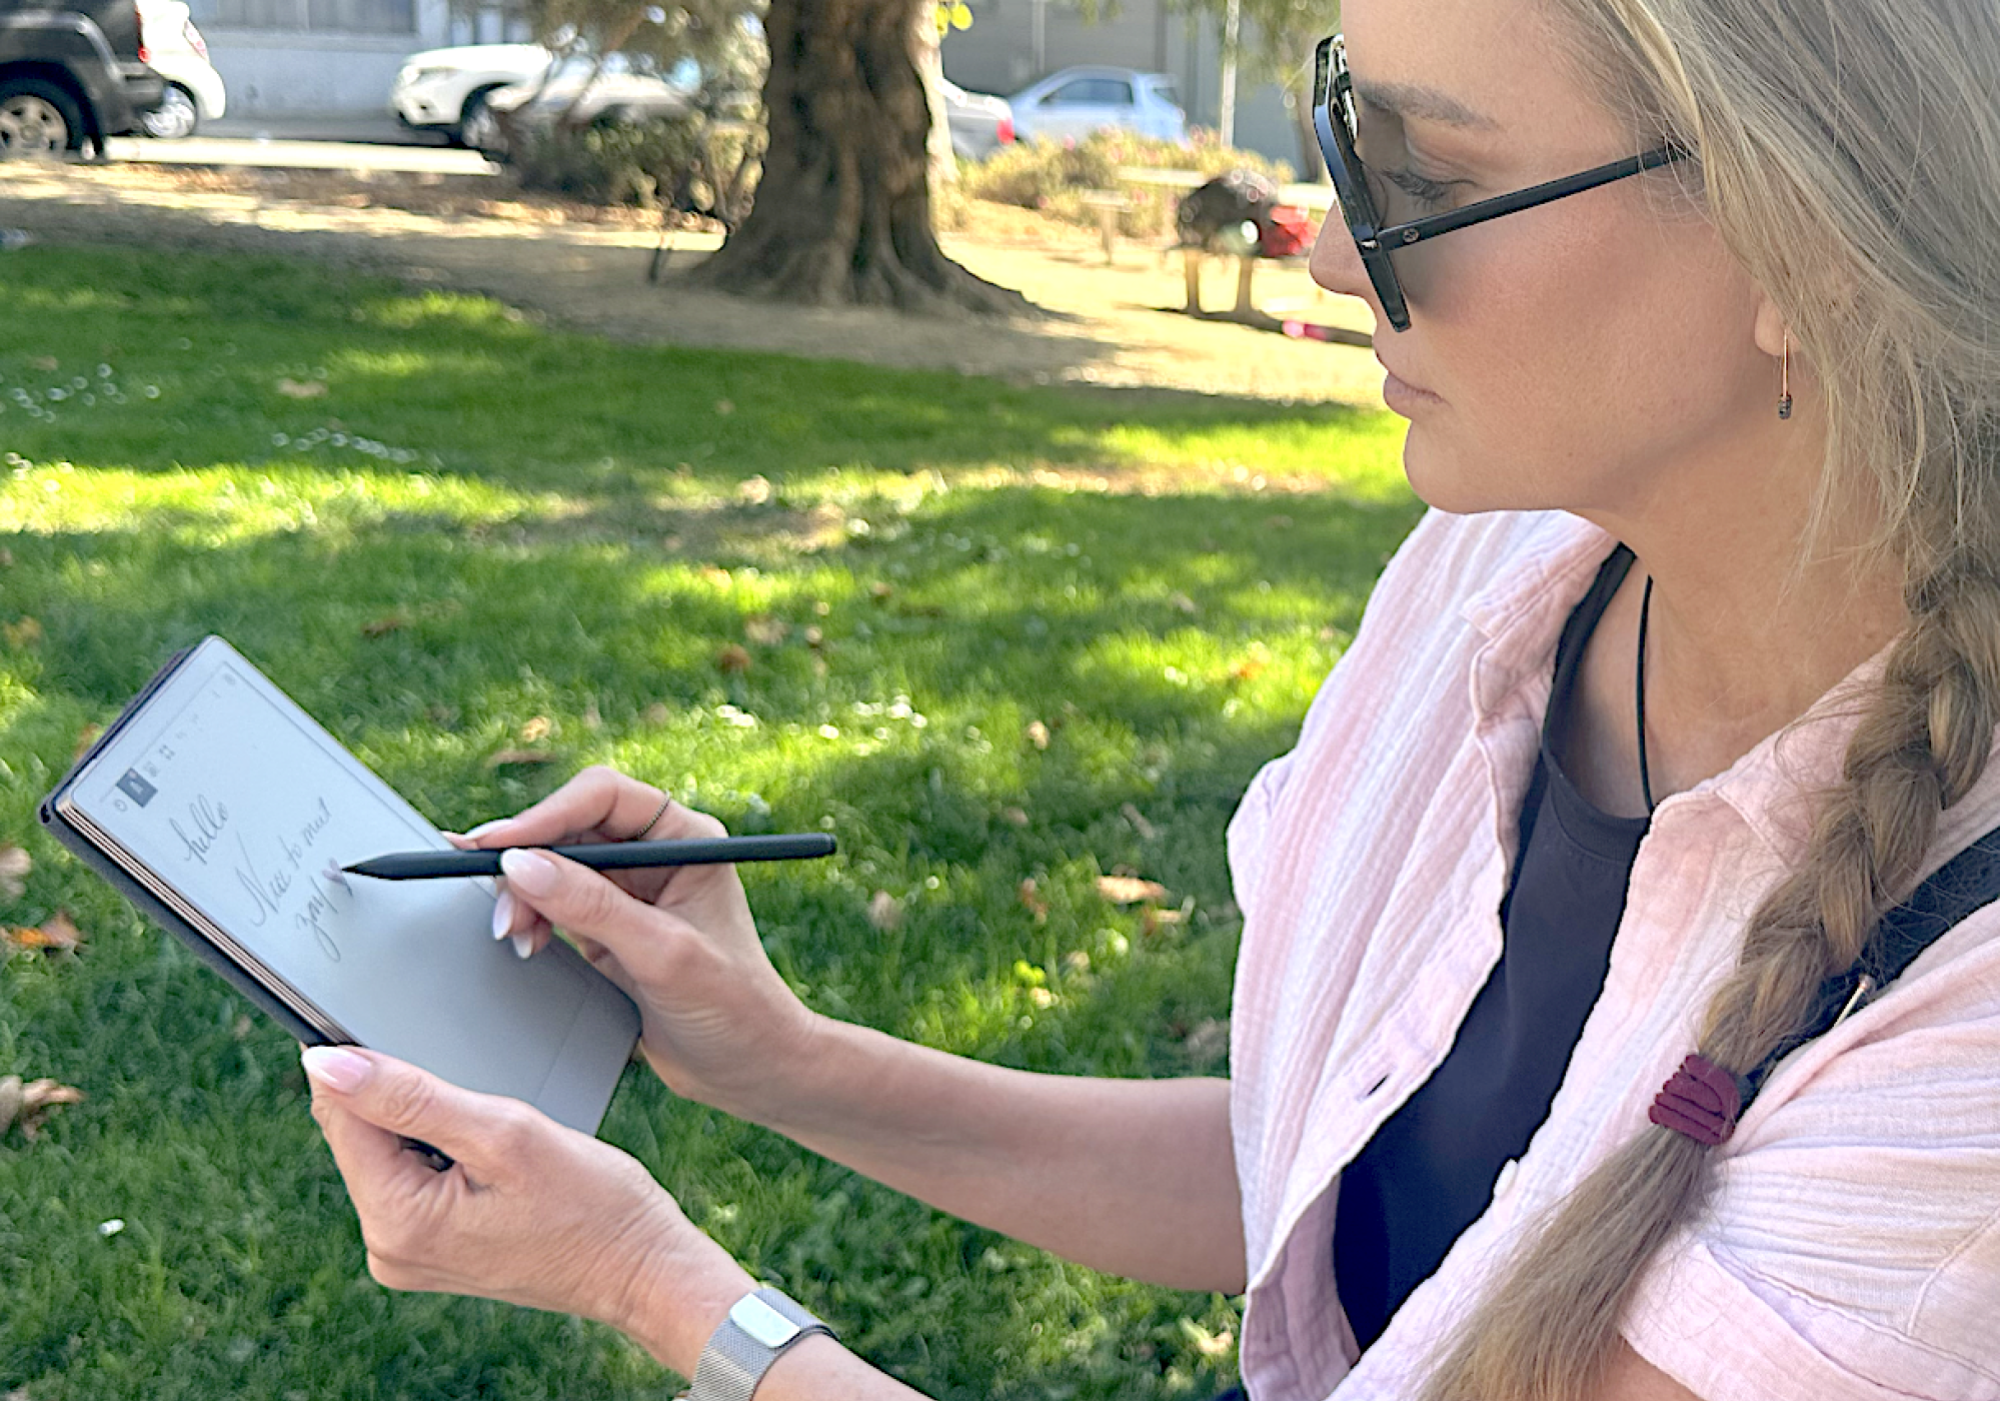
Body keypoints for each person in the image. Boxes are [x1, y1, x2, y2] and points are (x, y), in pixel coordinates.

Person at [298, 0, 2000, 1391]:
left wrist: (655, 1284)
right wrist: (781, 1060)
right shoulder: (1505, 574)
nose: (1329, 253)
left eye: (1407, 174)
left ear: (1812, 241)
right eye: (1338, 127)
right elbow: (1307, 1176)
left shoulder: (1964, 1073)